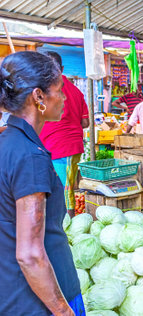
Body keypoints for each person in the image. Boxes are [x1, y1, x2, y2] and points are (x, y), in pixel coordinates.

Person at [0, 51, 82, 315]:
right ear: (38, 97)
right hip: (36, 302)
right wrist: (63, 309)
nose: (65, 97)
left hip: (12, 291)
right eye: (59, 90)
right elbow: (30, 255)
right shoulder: (29, 156)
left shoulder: (8, 142)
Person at [39, 51, 89, 217]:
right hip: (62, 146)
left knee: (64, 189)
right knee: (60, 187)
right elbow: (85, 123)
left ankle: (70, 225)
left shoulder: (46, 90)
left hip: (62, 146)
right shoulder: (76, 91)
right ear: (61, 68)